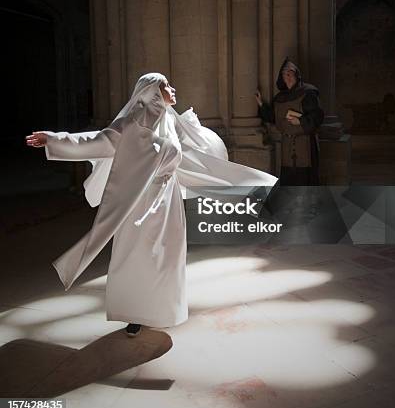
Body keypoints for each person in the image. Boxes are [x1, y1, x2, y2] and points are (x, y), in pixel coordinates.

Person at [26, 73, 277, 337]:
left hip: (167, 199)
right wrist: (54, 139)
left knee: (168, 256)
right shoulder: (133, 122)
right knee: (138, 256)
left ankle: (164, 311)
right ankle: (135, 314)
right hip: (139, 201)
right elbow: (97, 141)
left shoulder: (170, 119)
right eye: (166, 85)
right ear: (151, 92)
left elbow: (193, 149)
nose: (172, 88)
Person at [255, 58, 324, 185]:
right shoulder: (280, 98)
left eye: (291, 73)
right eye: (285, 74)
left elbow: (318, 116)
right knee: (289, 178)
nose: (288, 76)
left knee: (306, 179)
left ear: (297, 74)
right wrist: (261, 104)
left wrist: (301, 121)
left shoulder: (308, 92)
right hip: (287, 145)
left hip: (305, 144)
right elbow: (272, 117)